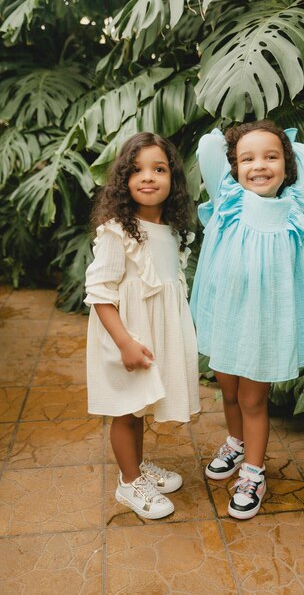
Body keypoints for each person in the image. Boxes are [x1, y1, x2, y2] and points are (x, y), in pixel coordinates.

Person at [190, 120, 304, 519]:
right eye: (247, 159)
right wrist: (247, 144)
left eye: (272, 157)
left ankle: (254, 472)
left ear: (288, 165)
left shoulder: (293, 204)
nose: (259, 166)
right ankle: (235, 443)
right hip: (225, 321)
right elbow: (207, 144)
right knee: (229, 392)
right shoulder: (227, 194)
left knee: (253, 401)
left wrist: (282, 144)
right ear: (233, 167)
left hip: (262, 328)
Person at [85, 132, 200, 520]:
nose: (148, 177)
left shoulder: (174, 231)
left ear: (173, 179)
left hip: (154, 335)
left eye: (159, 169)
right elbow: (99, 292)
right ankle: (129, 483)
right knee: (126, 410)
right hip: (127, 336)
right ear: (123, 180)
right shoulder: (117, 231)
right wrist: (125, 343)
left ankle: (136, 465)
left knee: (141, 406)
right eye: (136, 170)